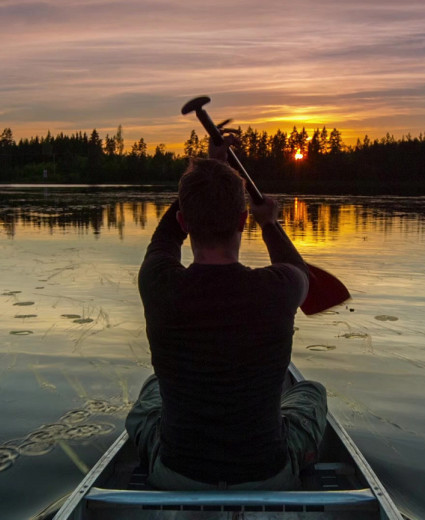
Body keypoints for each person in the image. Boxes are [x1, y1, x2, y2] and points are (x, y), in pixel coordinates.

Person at [125, 138, 327, 490]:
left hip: (176, 474)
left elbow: (163, 239)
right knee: (311, 393)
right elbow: (298, 268)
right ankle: (301, 465)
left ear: (184, 221)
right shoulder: (279, 288)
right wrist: (270, 224)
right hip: (267, 474)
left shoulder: (158, 282)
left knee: (150, 392)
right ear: (244, 219)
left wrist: (207, 172)